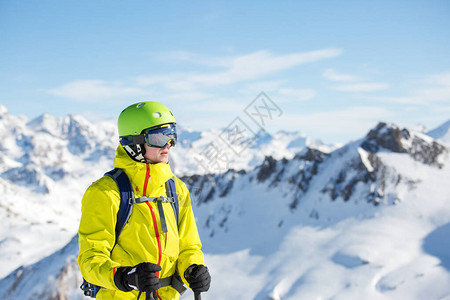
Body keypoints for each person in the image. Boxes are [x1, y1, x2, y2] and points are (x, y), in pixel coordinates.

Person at [78, 101, 211, 299]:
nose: (168, 144)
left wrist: (192, 268)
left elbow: (188, 246)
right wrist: (126, 277)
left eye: (172, 135)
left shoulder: (177, 190)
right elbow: (91, 260)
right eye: (159, 137)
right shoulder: (106, 193)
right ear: (134, 143)